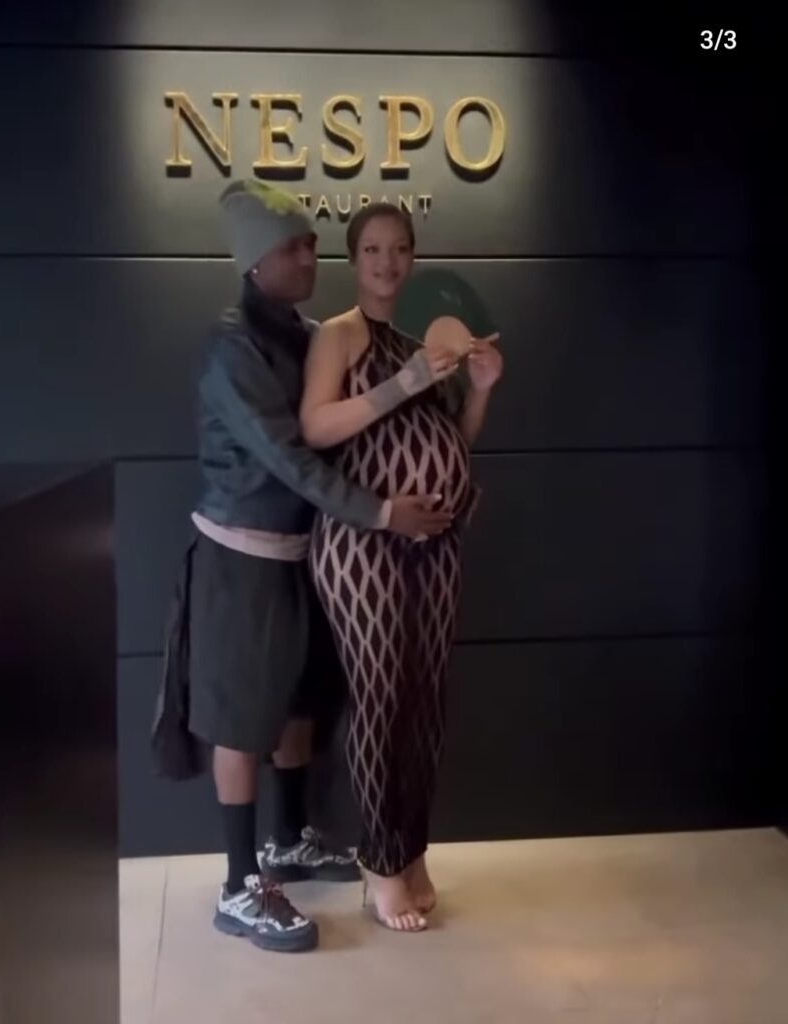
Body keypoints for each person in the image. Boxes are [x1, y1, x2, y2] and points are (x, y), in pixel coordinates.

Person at [154, 181, 453, 955]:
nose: (309, 257)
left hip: (306, 551)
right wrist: (381, 513)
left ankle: (287, 838)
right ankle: (238, 885)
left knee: (297, 703)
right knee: (240, 718)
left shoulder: (310, 335)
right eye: (293, 247)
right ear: (256, 263)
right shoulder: (232, 348)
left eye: (311, 243)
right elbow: (289, 456)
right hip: (241, 554)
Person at [299, 203, 503, 933]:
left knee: (425, 704)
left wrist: (481, 389)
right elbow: (315, 425)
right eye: (373, 250)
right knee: (380, 697)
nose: (387, 262)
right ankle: (380, 861)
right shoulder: (338, 334)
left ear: (413, 258)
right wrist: (403, 381)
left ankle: (412, 850)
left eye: (400, 249)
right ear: (354, 260)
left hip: (436, 542)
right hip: (362, 541)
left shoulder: (426, 340)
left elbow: (450, 440)